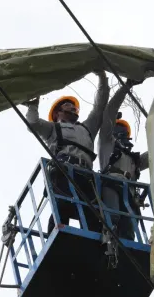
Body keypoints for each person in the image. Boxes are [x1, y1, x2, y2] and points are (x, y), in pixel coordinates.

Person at [23, 71, 109, 235]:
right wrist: (33, 105)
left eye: (73, 105)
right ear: (57, 113)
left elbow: (100, 107)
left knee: (93, 217)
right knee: (62, 208)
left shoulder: (87, 128)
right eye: (67, 105)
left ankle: (97, 247)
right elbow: (32, 124)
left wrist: (102, 77)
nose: (72, 107)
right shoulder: (52, 128)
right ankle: (55, 238)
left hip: (86, 175)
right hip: (63, 172)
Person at [98, 79, 148, 240]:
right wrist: (127, 87)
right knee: (113, 218)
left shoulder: (135, 159)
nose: (122, 134)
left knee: (129, 230)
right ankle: (108, 240)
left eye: (124, 131)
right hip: (112, 184)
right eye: (118, 129)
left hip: (129, 193)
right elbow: (109, 114)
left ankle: (124, 248)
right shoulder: (107, 144)